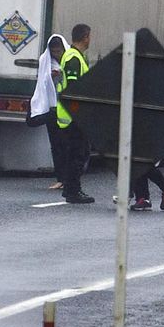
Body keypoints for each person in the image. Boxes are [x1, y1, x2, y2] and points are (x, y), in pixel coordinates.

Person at [55, 24, 95, 204]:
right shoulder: (73, 58)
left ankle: (71, 189)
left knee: (78, 153)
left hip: (72, 115)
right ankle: (73, 191)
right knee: (78, 154)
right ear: (85, 37)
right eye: (89, 36)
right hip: (73, 116)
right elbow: (73, 90)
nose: (90, 40)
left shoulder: (76, 56)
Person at [29, 34, 70, 190]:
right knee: (56, 144)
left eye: (58, 51)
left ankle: (69, 178)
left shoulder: (69, 60)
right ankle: (61, 177)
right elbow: (42, 82)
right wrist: (50, 77)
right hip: (52, 109)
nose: (56, 55)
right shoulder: (45, 61)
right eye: (53, 52)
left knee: (68, 145)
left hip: (67, 110)